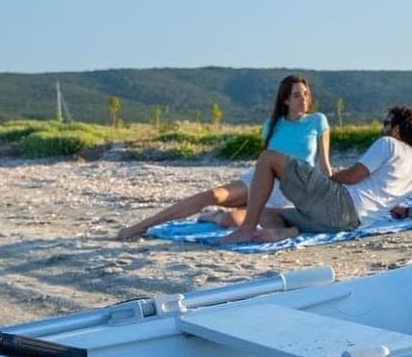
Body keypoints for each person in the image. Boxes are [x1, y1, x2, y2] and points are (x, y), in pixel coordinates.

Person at [116, 75, 331, 240]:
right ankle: (140, 227)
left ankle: (215, 216)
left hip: (289, 190)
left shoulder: (317, 121)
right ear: (285, 99)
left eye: (305, 94)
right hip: (259, 181)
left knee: (231, 219)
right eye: (297, 95)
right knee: (212, 194)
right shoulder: (271, 125)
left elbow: (324, 167)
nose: (303, 99)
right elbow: (264, 163)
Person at [223, 104, 412, 244]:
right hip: (349, 223)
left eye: (386, 123)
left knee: (269, 158)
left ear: (396, 130)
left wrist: (326, 180)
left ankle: (247, 228)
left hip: (340, 202)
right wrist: (407, 211)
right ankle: (287, 232)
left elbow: (354, 176)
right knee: (266, 212)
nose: (383, 128)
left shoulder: (388, 144)